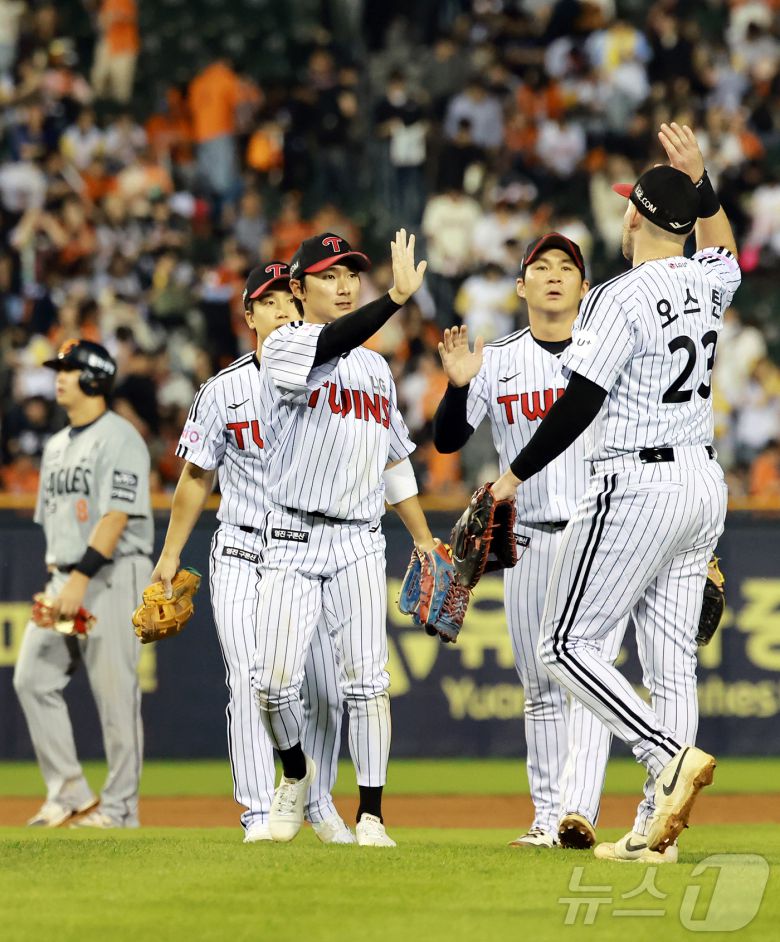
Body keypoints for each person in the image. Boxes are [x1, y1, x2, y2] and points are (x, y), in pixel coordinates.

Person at [486, 123, 741, 861]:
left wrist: (512, 474)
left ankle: (669, 758)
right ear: (684, 222)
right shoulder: (708, 280)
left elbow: (579, 405)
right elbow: (723, 248)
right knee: (670, 663)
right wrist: (702, 183)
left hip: (637, 481)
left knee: (565, 644)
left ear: (631, 215)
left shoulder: (618, 299)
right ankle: (656, 829)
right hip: (702, 480)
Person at [433, 233, 624, 849]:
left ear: (583, 285)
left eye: (565, 267)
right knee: (541, 689)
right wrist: (460, 385)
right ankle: (548, 820)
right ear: (520, 287)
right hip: (531, 542)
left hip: (601, 538)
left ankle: (578, 811)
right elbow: (447, 442)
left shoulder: (607, 356)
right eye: (539, 267)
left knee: (586, 678)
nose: (552, 276)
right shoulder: (500, 359)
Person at [155, 263, 353, 844]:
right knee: (249, 679)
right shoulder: (223, 390)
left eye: (289, 299)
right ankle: (257, 811)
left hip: (313, 551)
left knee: (320, 686)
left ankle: (316, 804)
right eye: (267, 303)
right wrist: (169, 557)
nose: (283, 311)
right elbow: (195, 477)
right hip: (243, 549)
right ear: (249, 317)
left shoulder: (334, 376)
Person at [252, 230, 431, 847]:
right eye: (330, 275)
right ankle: (296, 773)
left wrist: (424, 539)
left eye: (351, 273)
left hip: (359, 538)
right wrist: (395, 301)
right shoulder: (283, 345)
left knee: (367, 682)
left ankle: (373, 814)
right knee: (272, 683)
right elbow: (333, 339)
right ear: (297, 289)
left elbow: (394, 460)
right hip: (292, 535)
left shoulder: (376, 368)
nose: (346, 283)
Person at [13, 339, 153, 828]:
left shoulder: (120, 437)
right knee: (31, 678)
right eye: (58, 368)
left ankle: (120, 809)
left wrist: (77, 578)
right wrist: (59, 578)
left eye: (69, 368)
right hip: (67, 578)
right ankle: (69, 791)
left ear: (95, 377)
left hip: (112, 574)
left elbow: (116, 516)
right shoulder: (55, 446)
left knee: (115, 695)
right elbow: (56, 522)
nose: (59, 375)